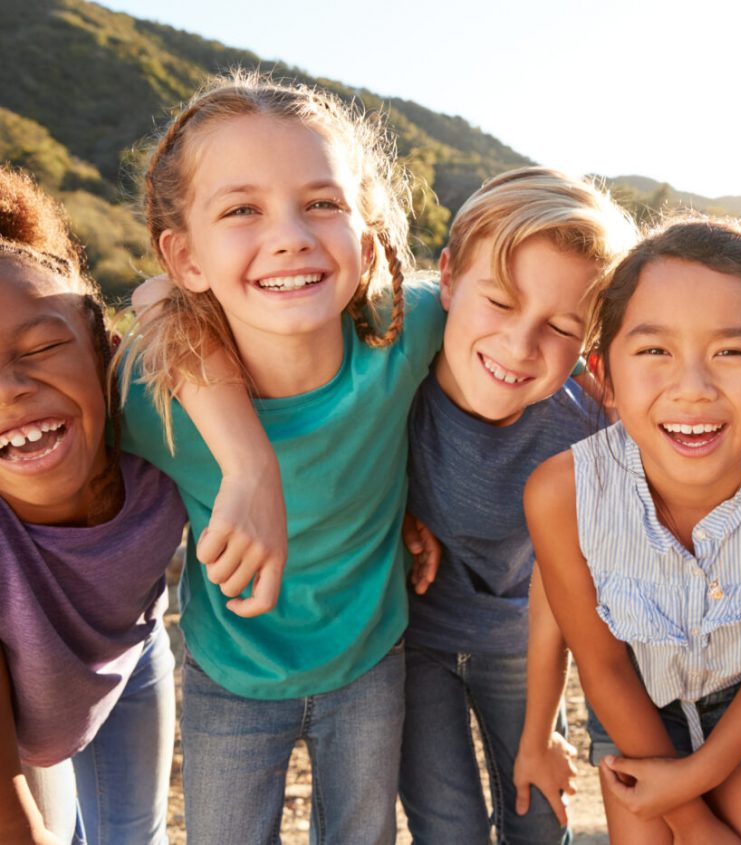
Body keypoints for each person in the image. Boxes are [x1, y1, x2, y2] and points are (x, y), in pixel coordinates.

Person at [117, 73, 445, 843]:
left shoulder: (406, 330)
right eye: (241, 210)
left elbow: (527, 328)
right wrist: (247, 460)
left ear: (366, 240)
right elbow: (149, 297)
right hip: (230, 674)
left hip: (370, 659)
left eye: (322, 202)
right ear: (186, 255)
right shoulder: (149, 393)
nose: (292, 234)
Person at [526, 216, 741, 844]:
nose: (693, 388)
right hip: (634, 698)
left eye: (731, 352)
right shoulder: (562, 493)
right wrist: (691, 821)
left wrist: (700, 775)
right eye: (654, 351)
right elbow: (601, 664)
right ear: (604, 374)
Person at [398, 166, 635, 844]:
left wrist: (544, 728)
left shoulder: (586, 426)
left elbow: (568, 590)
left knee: (538, 820)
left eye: (560, 325)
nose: (519, 344)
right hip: (413, 641)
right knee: (449, 829)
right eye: (500, 301)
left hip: (523, 645)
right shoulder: (396, 381)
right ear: (447, 277)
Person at [0, 167, 186, 844]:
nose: (11, 389)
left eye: (45, 348)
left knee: (138, 834)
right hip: (22, 725)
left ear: (109, 359)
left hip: (129, 657)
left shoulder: (165, 439)